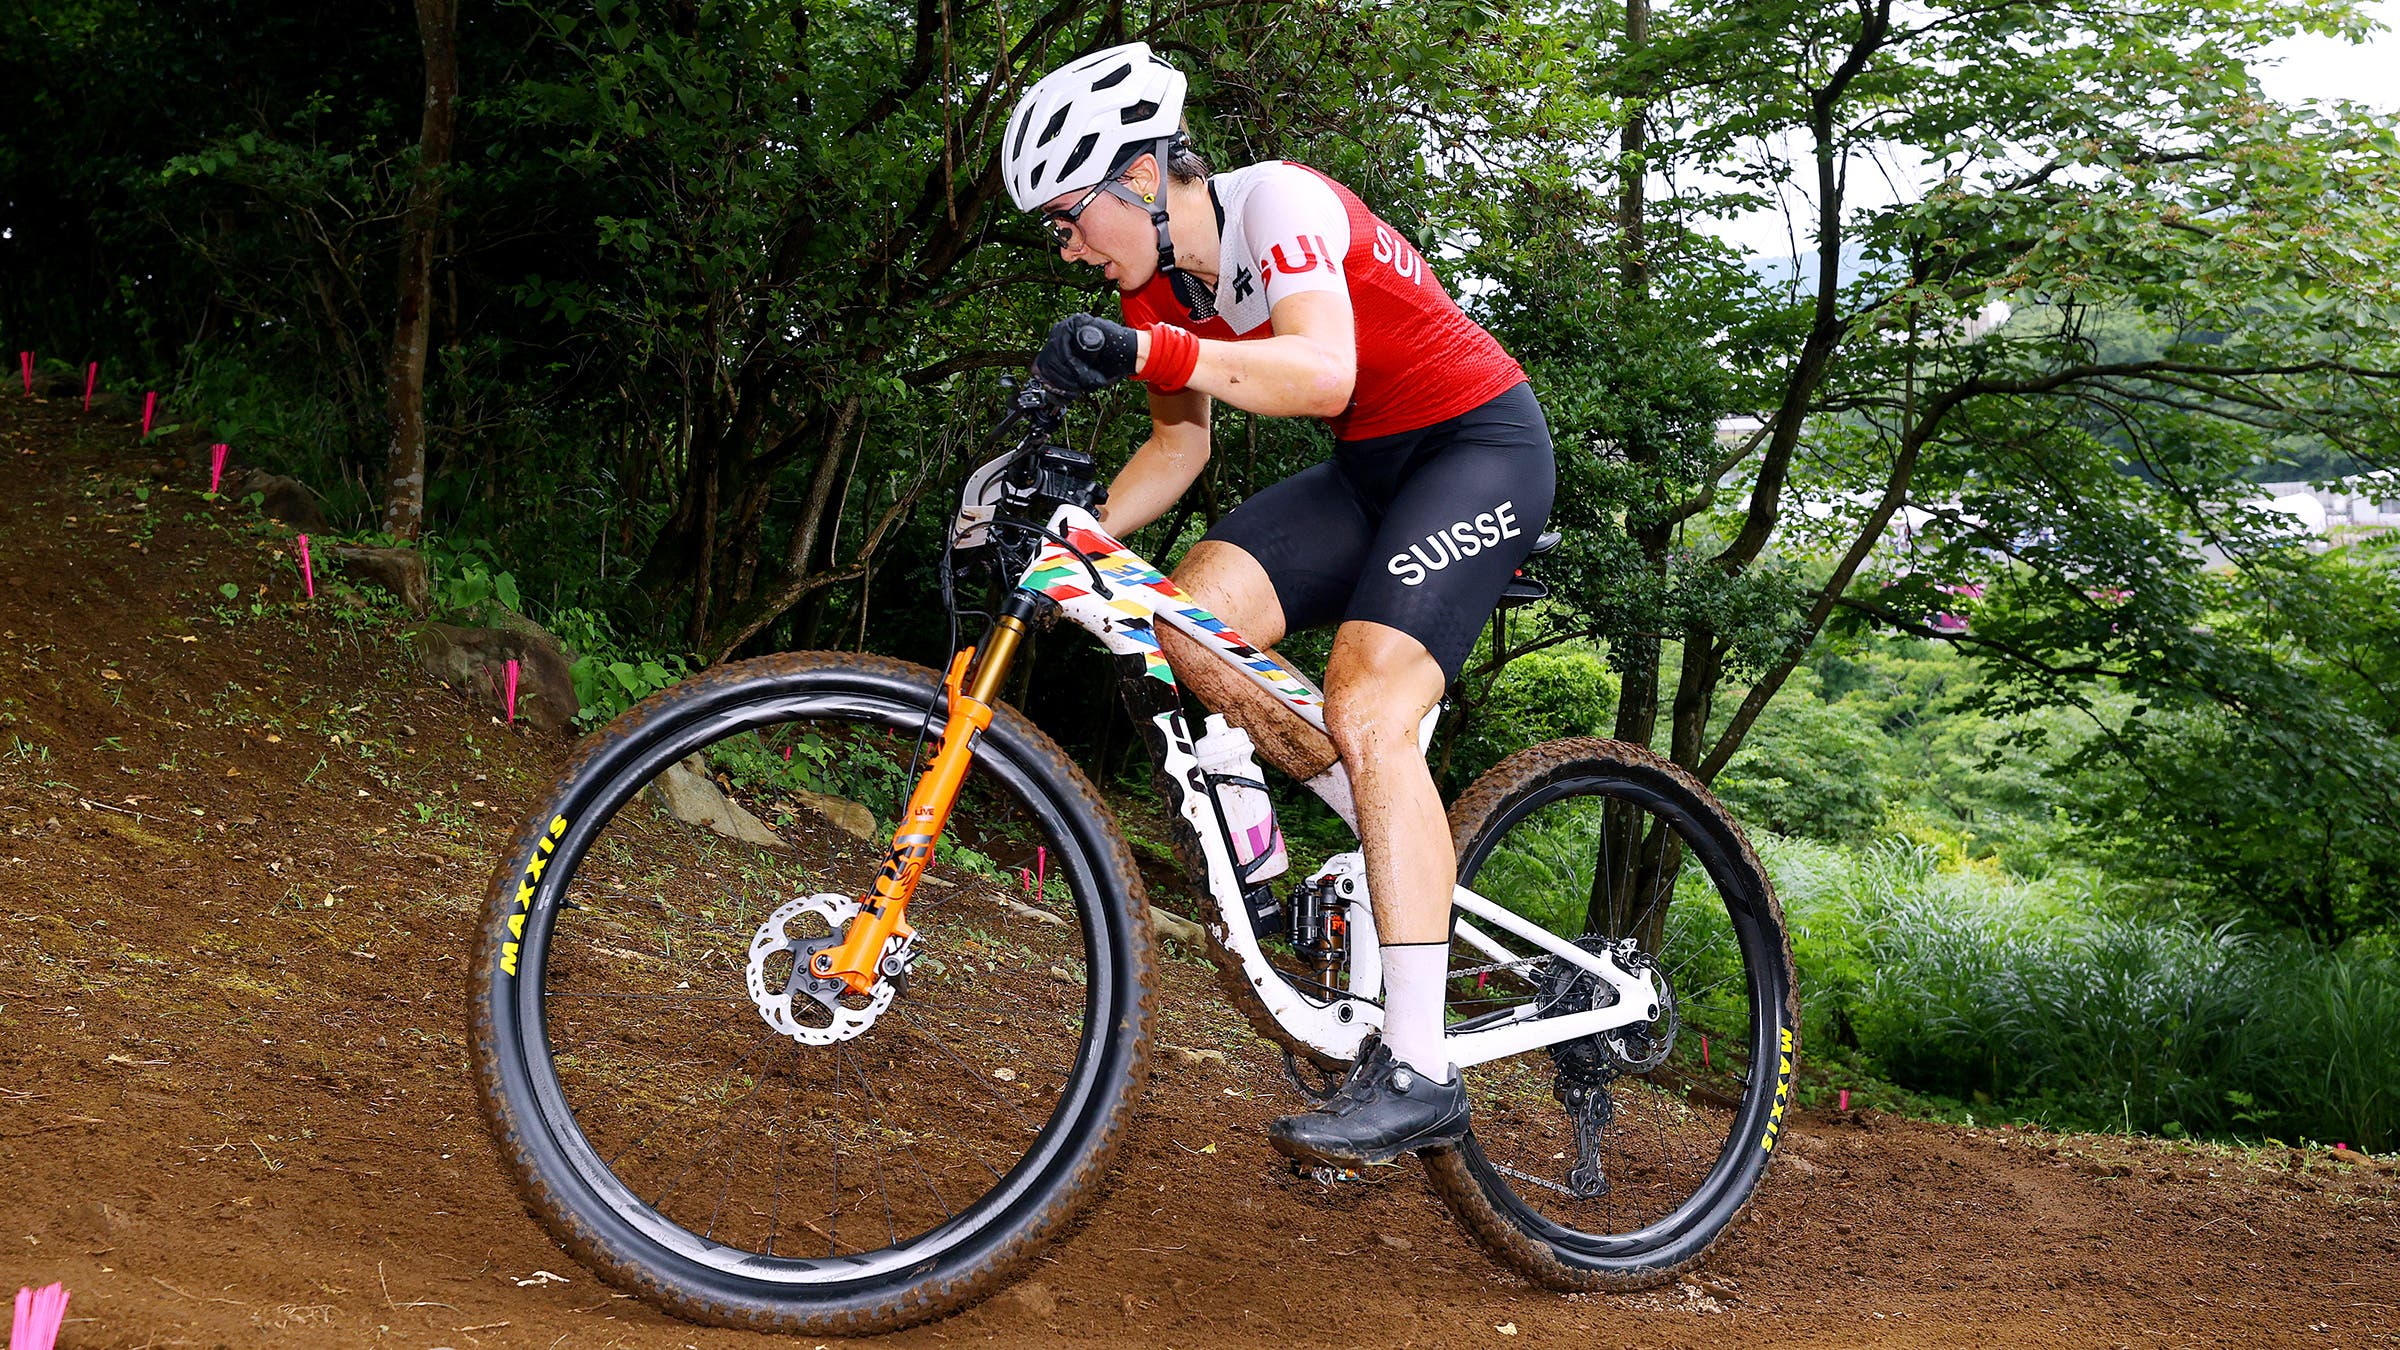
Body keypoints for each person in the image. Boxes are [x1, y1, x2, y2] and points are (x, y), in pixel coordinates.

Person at [1003, 42, 1556, 1167]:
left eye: (1069, 217)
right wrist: (1076, 530)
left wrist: (1147, 344)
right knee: (1181, 611)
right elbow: (1178, 442)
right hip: (1368, 477)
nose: (1066, 247)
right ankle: (1319, 835)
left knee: (1365, 700)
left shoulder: (1279, 203)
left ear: (1143, 177)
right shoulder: (1159, 287)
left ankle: (1418, 1068)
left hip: (1479, 447)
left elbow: (1324, 375)